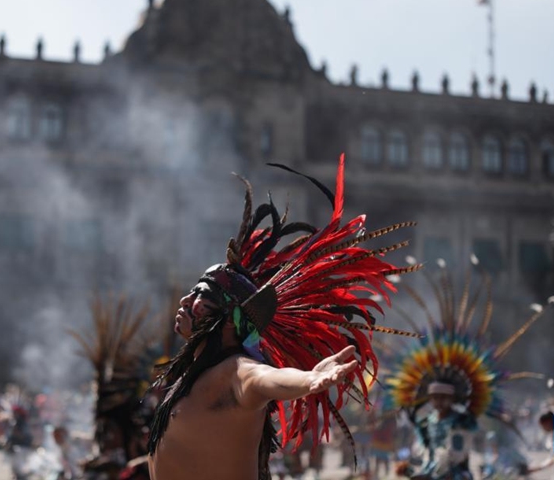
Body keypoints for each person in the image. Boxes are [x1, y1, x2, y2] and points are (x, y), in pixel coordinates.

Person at [146, 155, 419, 480]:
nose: (185, 300)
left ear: (231, 321)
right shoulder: (194, 376)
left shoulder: (234, 372)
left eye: (200, 295)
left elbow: (265, 379)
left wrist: (309, 379)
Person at [384, 259, 554, 480]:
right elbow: (425, 452)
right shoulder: (428, 422)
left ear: (452, 398)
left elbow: (453, 457)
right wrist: (413, 469)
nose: (438, 402)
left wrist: (430, 474)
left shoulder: (461, 421)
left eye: (442, 397)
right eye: (434, 397)